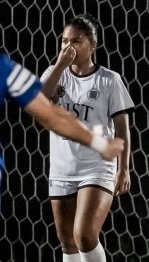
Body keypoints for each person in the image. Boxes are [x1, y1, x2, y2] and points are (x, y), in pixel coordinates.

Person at [40, 14, 135, 262]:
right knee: (67, 240)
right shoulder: (56, 75)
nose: (68, 46)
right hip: (62, 167)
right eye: (64, 41)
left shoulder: (109, 80)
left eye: (75, 41)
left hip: (98, 166)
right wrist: (59, 65)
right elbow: (40, 102)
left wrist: (125, 168)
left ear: (92, 46)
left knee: (84, 234)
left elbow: (122, 125)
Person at [1, 52, 125, 195]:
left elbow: (50, 114)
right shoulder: (4, 67)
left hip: (95, 171)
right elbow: (50, 115)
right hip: (61, 172)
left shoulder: (109, 79)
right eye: (65, 41)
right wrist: (101, 144)